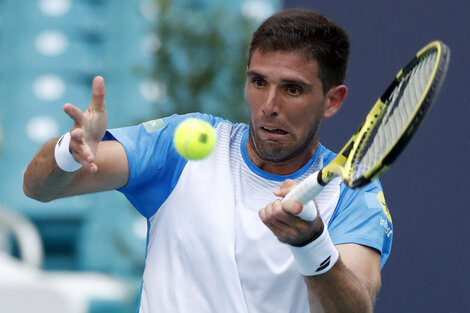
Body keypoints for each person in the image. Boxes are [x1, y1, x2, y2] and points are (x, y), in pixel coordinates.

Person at [23, 8, 392, 313]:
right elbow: (38, 188)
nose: (269, 106)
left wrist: (312, 242)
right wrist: (68, 153)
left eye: (292, 89)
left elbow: (355, 307)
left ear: (332, 100)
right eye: (258, 82)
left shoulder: (352, 193)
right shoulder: (180, 147)